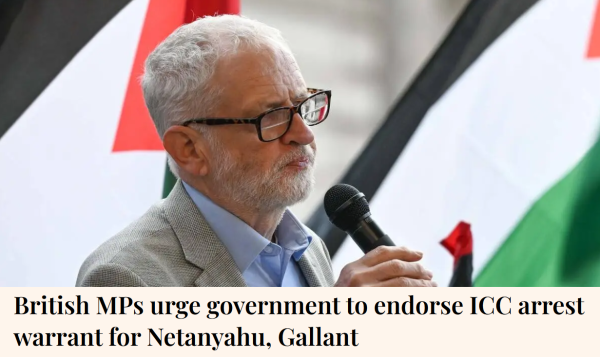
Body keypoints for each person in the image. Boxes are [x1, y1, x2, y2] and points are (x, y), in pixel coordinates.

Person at [76, 15, 436, 287]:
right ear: (189, 150)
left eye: (302, 104)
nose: (304, 134)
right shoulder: (124, 277)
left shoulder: (307, 247)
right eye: (272, 117)